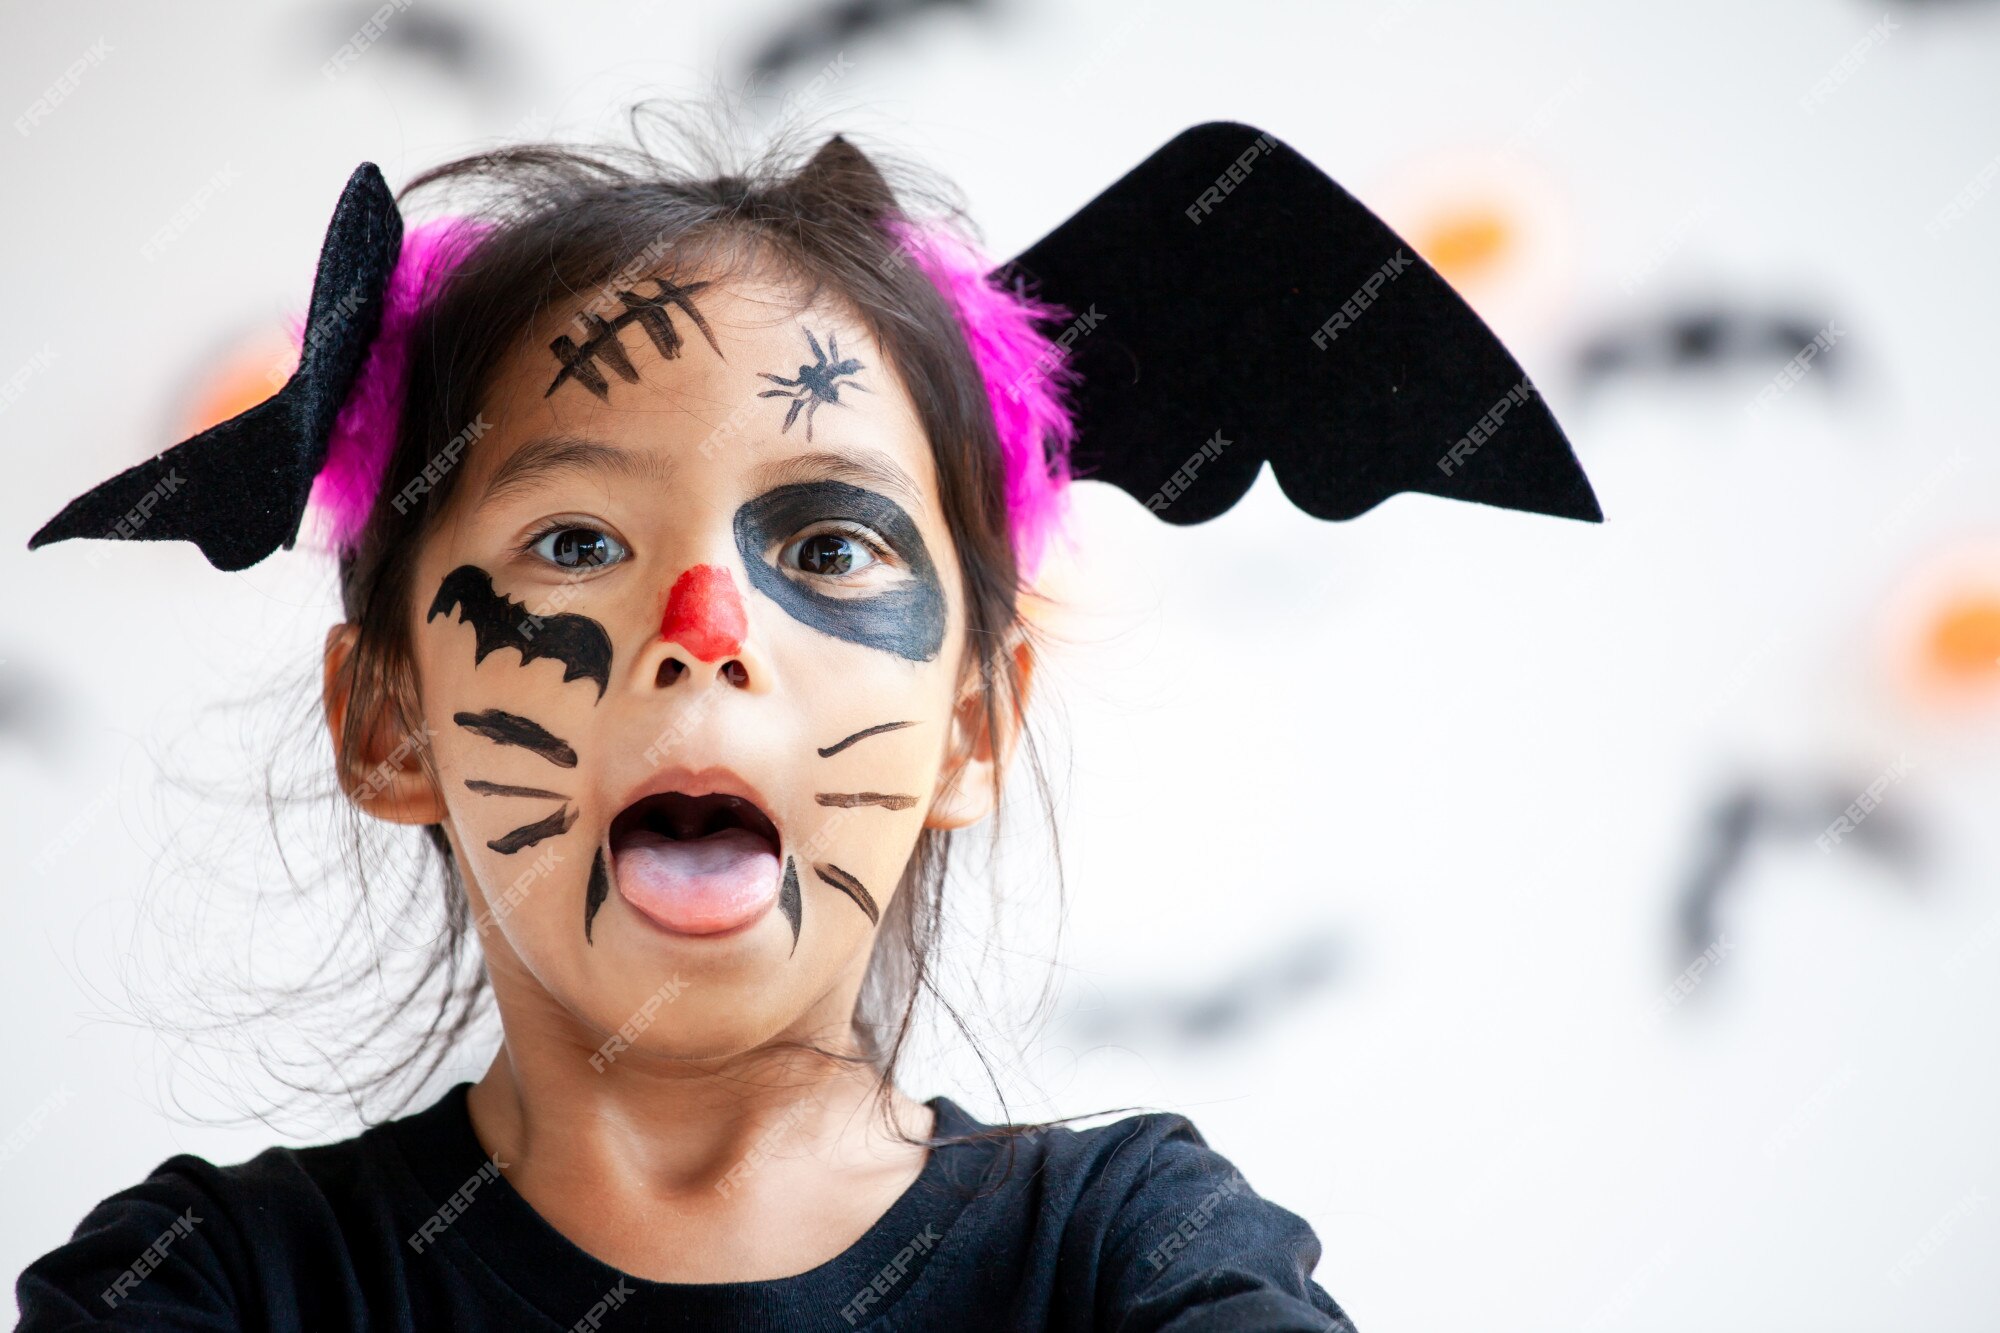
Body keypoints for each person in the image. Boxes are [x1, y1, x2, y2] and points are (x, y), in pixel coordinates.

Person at [17, 111, 1597, 1331]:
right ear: (389, 723)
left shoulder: (1138, 1255)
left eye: (831, 548)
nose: (707, 637)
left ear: (974, 724)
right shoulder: (215, 1285)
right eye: (575, 543)